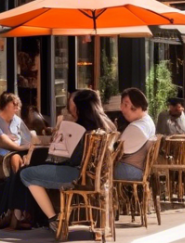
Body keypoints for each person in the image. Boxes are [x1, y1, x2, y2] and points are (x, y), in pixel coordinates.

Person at [21, 89, 115, 233]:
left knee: (27, 174)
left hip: (75, 175)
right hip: (96, 177)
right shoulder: (105, 126)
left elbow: (73, 160)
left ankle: (53, 219)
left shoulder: (81, 128)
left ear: (80, 107)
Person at [0, 92, 36, 230]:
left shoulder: (17, 121)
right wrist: (19, 148)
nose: (17, 108)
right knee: (17, 162)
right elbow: (0, 139)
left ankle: (11, 212)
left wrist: (27, 150)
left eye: (18, 105)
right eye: (14, 105)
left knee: (24, 166)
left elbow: (28, 139)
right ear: (6, 105)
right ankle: (16, 213)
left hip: (17, 154)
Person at [115, 88, 156, 182]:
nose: (122, 109)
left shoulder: (136, 127)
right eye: (122, 104)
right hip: (139, 169)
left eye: (126, 105)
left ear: (138, 105)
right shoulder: (147, 120)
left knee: (96, 171)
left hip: (130, 170)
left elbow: (117, 152)